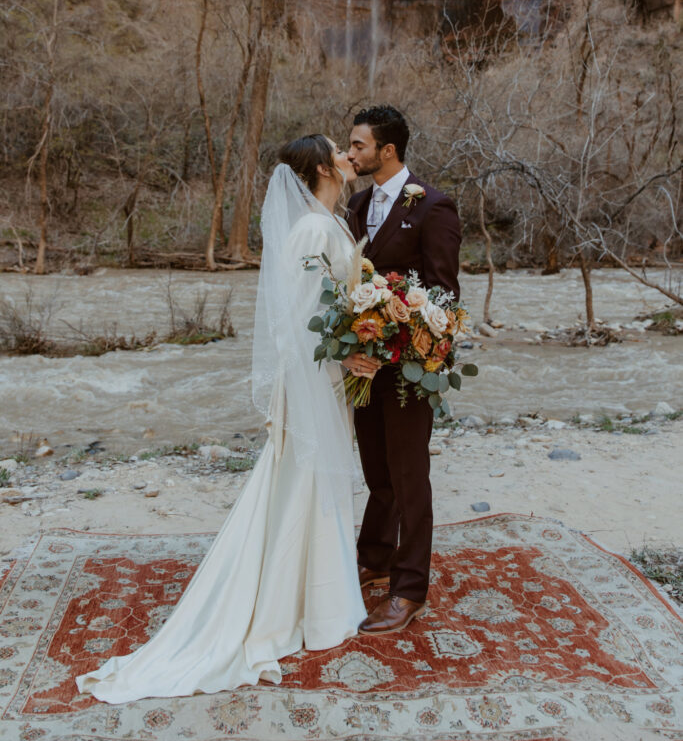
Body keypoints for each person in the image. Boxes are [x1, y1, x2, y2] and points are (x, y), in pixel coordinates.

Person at [76, 135, 370, 701]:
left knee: (315, 484)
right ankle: (305, 607)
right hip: (316, 382)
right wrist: (347, 351)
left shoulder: (328, 222)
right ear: (319, 168)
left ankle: (319, 597)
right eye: (338, 151)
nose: (346, 159)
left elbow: (335, 308)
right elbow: (306, 321)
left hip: (326, 383)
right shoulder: (312, 230)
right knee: (307, 482)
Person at [346, 105, 461, 635]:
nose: (351, 154)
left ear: (386, 151)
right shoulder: (357, 203)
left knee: (410, 476)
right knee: (376, 469)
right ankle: (375, 555)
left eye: (358, 146)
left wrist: (415, 353)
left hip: (411, 368)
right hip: (364, 364)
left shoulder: (433, 205)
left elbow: (443, 294)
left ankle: (410, 588)